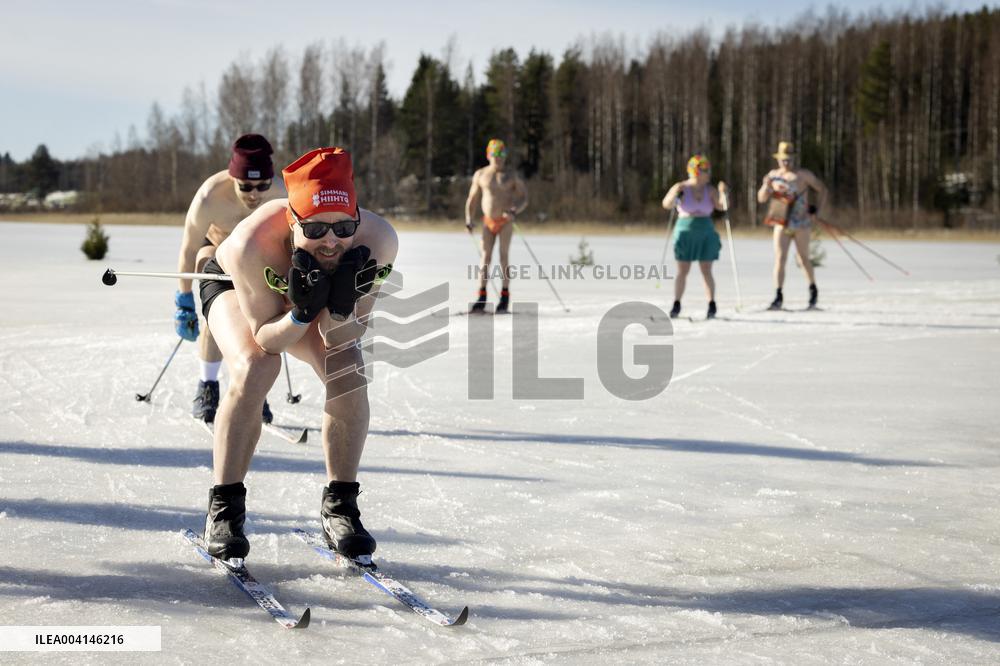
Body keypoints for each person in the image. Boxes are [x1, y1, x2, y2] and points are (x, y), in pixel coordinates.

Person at [199, 147, 398, 562]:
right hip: (236, 286)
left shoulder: (378, 241)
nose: (331, 242)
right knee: (256, 365)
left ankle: (340, 507)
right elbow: (268, 339)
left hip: (313, 299)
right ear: (292, 219)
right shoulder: (250, 244)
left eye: (343, 228)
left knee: (347, 368)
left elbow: (343, 336)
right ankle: (224, 508)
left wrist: (340, 305)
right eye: (315, 229)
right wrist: (302, 312)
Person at [174, 134, 285, 423]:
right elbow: (188, 248)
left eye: (262, 185)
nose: (254, 194)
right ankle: (207, 385)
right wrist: (184, 300)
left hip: (256, 255)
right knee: (218, 316)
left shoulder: (282, 194)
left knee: (259, 322)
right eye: (245, 186)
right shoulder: (210, 197)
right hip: (214, 252)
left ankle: (253, 388)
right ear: (232, 177)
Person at [756, 141, 828, 310]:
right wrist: (766, 186)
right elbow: (761, 198)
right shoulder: (773, 176)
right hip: (781, 223)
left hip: (801, 223)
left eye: (789, 159)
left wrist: (817, 211)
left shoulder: (803, 175)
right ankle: (778, 296)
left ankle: (813, 291)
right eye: (783, 159)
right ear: (778, 159)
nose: (786, 162)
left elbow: (822, 190)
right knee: (780, 258)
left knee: (803, 258)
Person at [464, 139, 528, 313]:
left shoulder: (511, 175)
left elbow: (524, 198)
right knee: (485, 257)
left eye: (502, 154)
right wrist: (469, 218)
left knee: (503, 257)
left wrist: (515, 210)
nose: (498, 158)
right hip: (488, 222)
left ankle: (505, 296)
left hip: (505, 221)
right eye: (495, 154)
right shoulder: (481, 175)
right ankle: (481, 296)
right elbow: (472, 199)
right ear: (488, 155)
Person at [661, 154, 728, 320]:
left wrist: (724, 193)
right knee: (683, 270)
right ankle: (676, 303)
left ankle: (712, 304)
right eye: (705, 170)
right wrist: (674, 195)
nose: (708, 173)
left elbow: (722, 206)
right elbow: (666, 204)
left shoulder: (710, 190)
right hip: (685, 230)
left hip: (705, 230)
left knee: (706, 269)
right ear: (696, 171)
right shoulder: (682, 187)